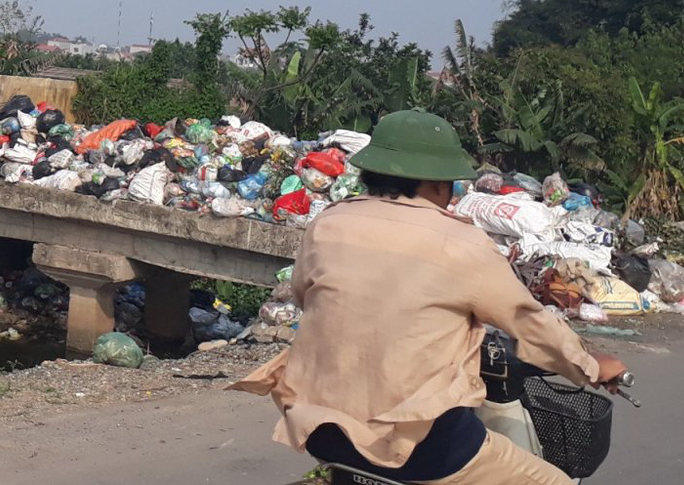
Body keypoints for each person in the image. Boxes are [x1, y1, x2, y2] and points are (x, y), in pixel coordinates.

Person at [234, 110, 627, 485]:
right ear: (438, 183)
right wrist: (590, 366)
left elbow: (307, 297)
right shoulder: (462, 242)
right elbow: (529, 323)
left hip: (321, 430)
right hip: (426, 448)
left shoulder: (328, 222)